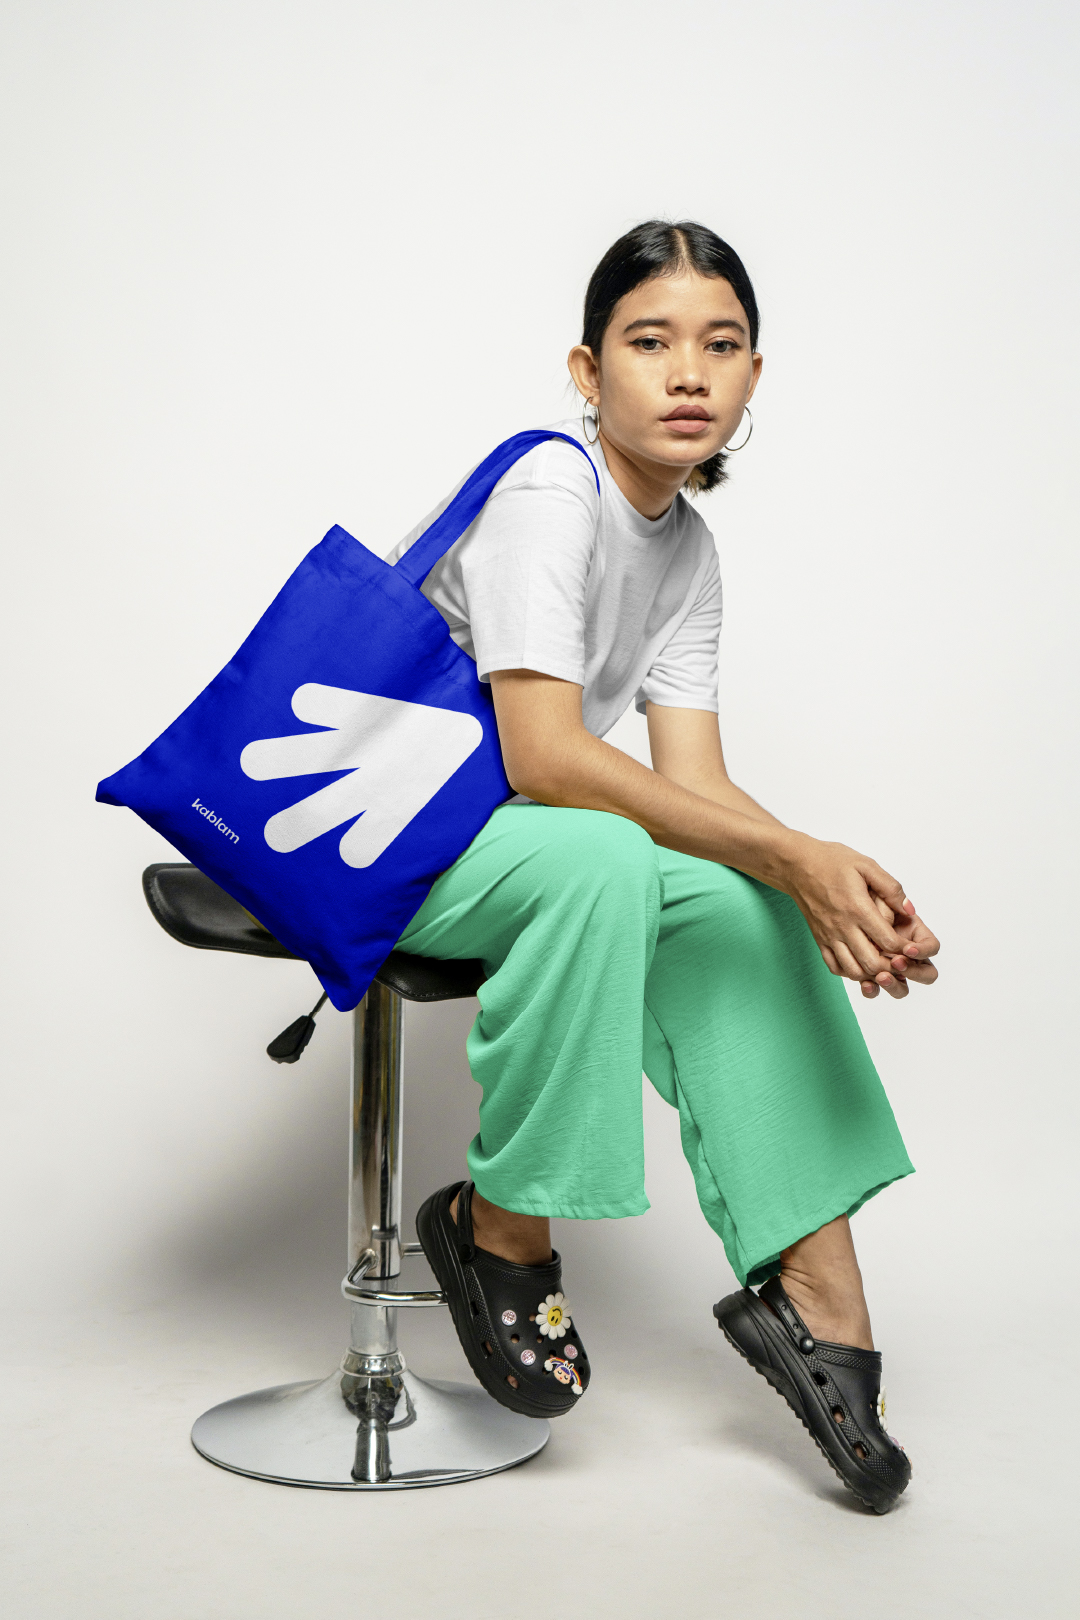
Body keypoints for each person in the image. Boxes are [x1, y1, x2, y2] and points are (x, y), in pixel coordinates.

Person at [395, 220, 939, 1513]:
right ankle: (499, 1224)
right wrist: (792, 852)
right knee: (604, 851)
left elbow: (694, 787)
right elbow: (543, 754)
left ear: (754, 374)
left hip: (522, 845)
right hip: (385, 843)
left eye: (721, 344)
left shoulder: (687, 551)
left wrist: (818, 873)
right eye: (651, 342)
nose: (689, 372)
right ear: (588, 372)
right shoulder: (551, 490)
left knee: (741, 901)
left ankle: (815, 1285)